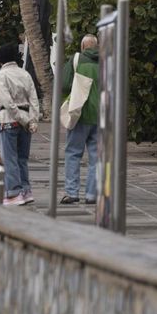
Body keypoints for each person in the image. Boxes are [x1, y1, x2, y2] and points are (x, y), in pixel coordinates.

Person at [0, 43, 39, 206]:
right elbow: (33, 98)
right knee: (22, 158)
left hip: (8, 119)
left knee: (10, 157)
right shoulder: (25, 74)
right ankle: (26, 191)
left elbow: (6, 101)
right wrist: (32, 120)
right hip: (26, 118)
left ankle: (13, 192)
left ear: (1, 60)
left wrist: (21, 118)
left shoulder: (0, 75)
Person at [62, 34, 100, 204]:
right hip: (100, 116)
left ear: (83, 47)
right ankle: (92, 195)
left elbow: (64, 84)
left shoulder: (77, 59)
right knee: (96, 157)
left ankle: (72, 192)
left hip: (80, 114)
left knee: (73, 153)